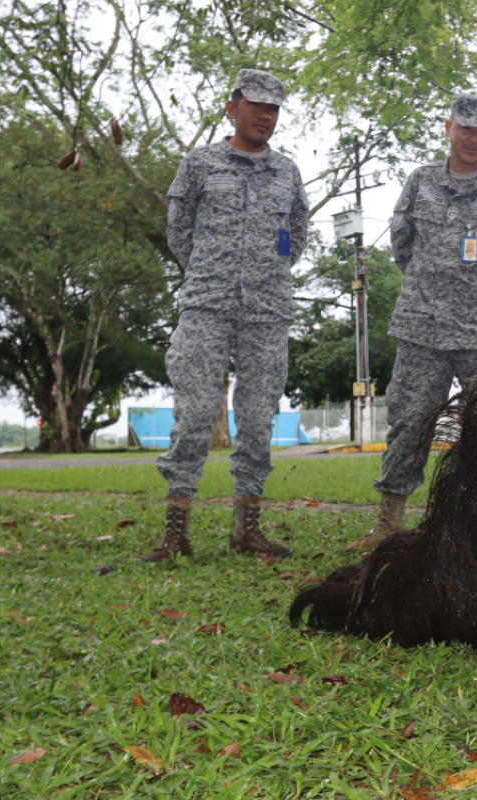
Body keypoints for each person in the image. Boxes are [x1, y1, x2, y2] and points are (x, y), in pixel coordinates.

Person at [348, 93, 477, 551]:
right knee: (408, 422)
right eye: (466, 127)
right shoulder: (421, 181)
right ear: (449, 127)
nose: (474, 138)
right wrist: (435, 284)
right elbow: (402, 243)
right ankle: (388, 525)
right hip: (423, 326)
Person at [146, 68, 307, 562]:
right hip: (207, 304)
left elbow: (296, 237)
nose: (265, 114)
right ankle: (176, 531)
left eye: (274, 108)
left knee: (258, 418)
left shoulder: (287, 172)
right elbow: (180, 234)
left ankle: (246, 528)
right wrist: (215, 271)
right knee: (194, 413)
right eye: (256, 104)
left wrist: (264, 274)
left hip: (267, 309)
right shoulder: (199, 164)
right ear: (231, 106)